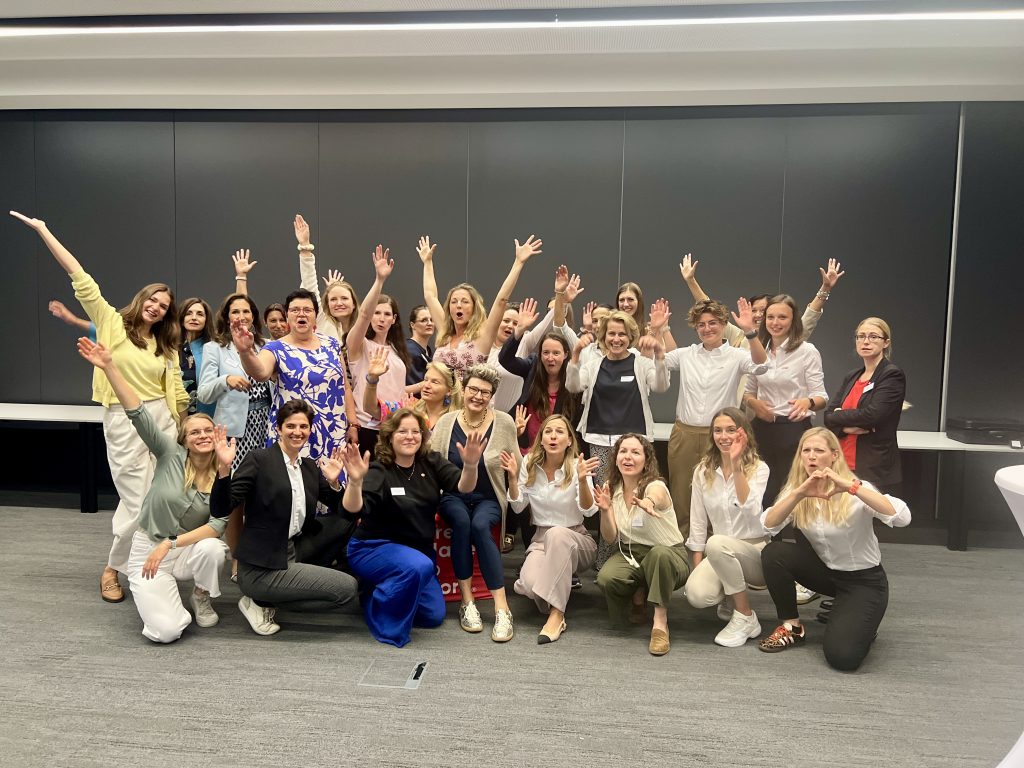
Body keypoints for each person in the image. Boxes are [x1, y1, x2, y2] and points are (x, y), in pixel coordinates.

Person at [11, 211, 189, 603]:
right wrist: (44, 230)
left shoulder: (165, 343)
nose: (157, 308)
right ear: (141, 299)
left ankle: (143, 567)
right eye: (153, 300)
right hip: (124, 418)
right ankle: (114, 568)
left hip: (161, 420)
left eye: (164, 306)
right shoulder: (111, 322)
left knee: (162, 498)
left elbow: (175, 388)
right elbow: (80, 277)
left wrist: (184, 424)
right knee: (136, 502)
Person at [77, 337, 231, 643]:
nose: (202, 435)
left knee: (214, 549)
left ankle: (200, 595)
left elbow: (217, 526)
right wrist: (109, 367)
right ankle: (166, 599)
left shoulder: (224, 473)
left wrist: (225, 469)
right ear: (184, 440)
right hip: (148, 550)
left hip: (184, 549)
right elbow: (138, 413)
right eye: (194, 432)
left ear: (216, 435)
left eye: (207, 430)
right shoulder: (170, 454)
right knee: (166, 631)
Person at [758, 427, 911, 671]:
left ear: (834, 456)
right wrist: (798, 494)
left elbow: (902, 518)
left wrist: (852, 487)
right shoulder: (799, 490)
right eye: (806, 450)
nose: (811, 456)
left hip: (864, 582)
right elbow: (767, 525)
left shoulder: (856, 488)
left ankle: (860, 623)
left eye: (819, 450)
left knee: (843, 658)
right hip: (827, 573)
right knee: (774, 554)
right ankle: (792, 627)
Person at [212, 399, 358, 636]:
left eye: (303, 426)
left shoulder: (309, 467)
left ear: (310, 430)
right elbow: (221, 509)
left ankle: (291, 586)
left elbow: (347, 512)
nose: (297, 432)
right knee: (347, 589)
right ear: (278, 428)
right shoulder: (259, 459)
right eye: (290, 426)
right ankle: (260, 600)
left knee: (345, 525)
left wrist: (335, 484)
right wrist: (224, 469)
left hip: (293, 547)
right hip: (262, 567)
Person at [343, 408, 486, 647]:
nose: (410, 437)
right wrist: (356, 482)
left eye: (416, 431)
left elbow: (464, 487)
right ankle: (380, 612)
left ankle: (378, 589)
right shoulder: (379, 469)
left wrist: (471, 465)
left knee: (432, 616)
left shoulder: (430, 461)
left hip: (417, 553)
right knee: (418, 566)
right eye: (402, 431)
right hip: (373, 547)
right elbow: (353, 509)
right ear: (389, 437)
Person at [664, 298, 767, 540]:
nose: (707, 328)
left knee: (718, 491)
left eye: (713, 323)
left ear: (723, 324)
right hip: (685, 433)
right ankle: (683, 547)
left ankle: (715, 546)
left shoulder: (737, 356)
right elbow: (660, 360)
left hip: (721, 436)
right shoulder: (687, 354)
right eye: (701, 324)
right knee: (681, 494)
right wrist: (660, 331)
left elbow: (762, 366)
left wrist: (750, 332)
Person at [429, 364, 519, 642]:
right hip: (452, 495)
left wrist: (514, 474)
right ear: (464, 390)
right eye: (473, 390)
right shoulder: (446, 422)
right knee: (461, 521)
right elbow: (432, 462)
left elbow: (517, 463)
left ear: (492, 396)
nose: (478, 396)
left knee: (480, 525)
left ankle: (502, 608)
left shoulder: (504, 422)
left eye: (485, 392)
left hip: (488, 497)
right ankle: (467, 602)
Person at [503, 415, 599, 644]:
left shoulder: (577, 466)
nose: (553, 436)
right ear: (541, 439)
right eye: (548, 432)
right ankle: (561, 580)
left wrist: (583, 481)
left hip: (577, 538)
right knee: (528, 586)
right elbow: (518, 507)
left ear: (569, 440)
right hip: (541, 539)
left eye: (559, 432)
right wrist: (513, 479)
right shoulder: (529, 463)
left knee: (557, 533)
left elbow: (589, 511)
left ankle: (557, 615)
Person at [232, 288, 358, 461]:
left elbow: (345, 387)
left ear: (315, 315)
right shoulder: (276, 348)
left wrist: (353, 424)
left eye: (307, 310)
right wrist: (245, 351)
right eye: (295, 310)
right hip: (294, 436)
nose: (301, 314)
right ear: (287, 316)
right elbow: (260, 373)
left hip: (333, 432)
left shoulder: (331, 344)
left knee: (334, 477)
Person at [594, 434, 690, 656]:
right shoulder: (612, 488)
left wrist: (648, 502)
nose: (628, 457)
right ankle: (639, 595)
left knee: (658, 555)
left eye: (635, 452)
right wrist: (606, 511)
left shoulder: (655, 485)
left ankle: (660, 622)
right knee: (606, 578)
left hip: (669, 555)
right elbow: (610, 537)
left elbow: (656, 495)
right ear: (616, 458)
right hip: (631, 553)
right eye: (623, 451)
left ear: (646, 460)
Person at [684, 408, 770, 647]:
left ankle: (745, 616)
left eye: (731, 430)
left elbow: (751, 509)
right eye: (718, 430)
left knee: (717, 543)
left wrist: (737, 465)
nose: (724, 436)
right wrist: (698, 567)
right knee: (697, 595)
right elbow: (698, 522)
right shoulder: (703, 471)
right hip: (718, 550)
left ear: (743, 433)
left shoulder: (759, 468)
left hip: (754, 551)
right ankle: (731, 594)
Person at [418, 233, 543, 382]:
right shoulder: (445, 332)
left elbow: (501, 300)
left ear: (474, 308)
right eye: (454, 301)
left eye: (465, 301)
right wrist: (427, 262)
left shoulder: (482, 335)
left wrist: (519, 262)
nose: (458, 305)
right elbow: (430, 296)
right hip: (440, 396)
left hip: (470, 396)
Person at [743, 294, 828, 507]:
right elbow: (748, 392)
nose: (775, 322)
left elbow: (822, 397)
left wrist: (808, 402)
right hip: (761, 429)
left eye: (782, 317)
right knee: (763, 491)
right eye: (771, 317)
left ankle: (797, 529)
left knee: (794, 491)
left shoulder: (807, 351)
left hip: (794, 430)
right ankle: (766, 529)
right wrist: (753, 403)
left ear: (793, 320)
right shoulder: (758, 349)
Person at [824, 317, 906, 497]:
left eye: (873, 337)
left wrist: (839, 416)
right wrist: (844, 427)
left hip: (873, 466)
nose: (866, 341)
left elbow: (873, 415)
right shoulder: (852, 376)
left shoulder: (891, 374)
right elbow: (828, 416)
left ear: (886, 343)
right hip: (843, 463)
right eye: (861, 336)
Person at [346, 245, 412, 456]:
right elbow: (363, 314)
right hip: (368, 428)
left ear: (394, 319)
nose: (381, 318)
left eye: (386, 314)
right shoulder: (360, 345)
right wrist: (379, 280)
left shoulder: (397, 350)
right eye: (377, 313)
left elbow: (396, 388)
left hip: (395, 427)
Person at [178, 297, 216, 417]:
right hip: (176, 416)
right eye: (188, 313)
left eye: (200, 314)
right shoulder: (170, 348)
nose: (194, 317)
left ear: (206, 320)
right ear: (181, 318)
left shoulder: (214, 348)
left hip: (208, 416)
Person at [405, 304, 435, 388]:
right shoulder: (410, 350)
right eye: (424, 320)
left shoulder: (428, 350)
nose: (429, 323)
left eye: (431, 320)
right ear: (412, 325)